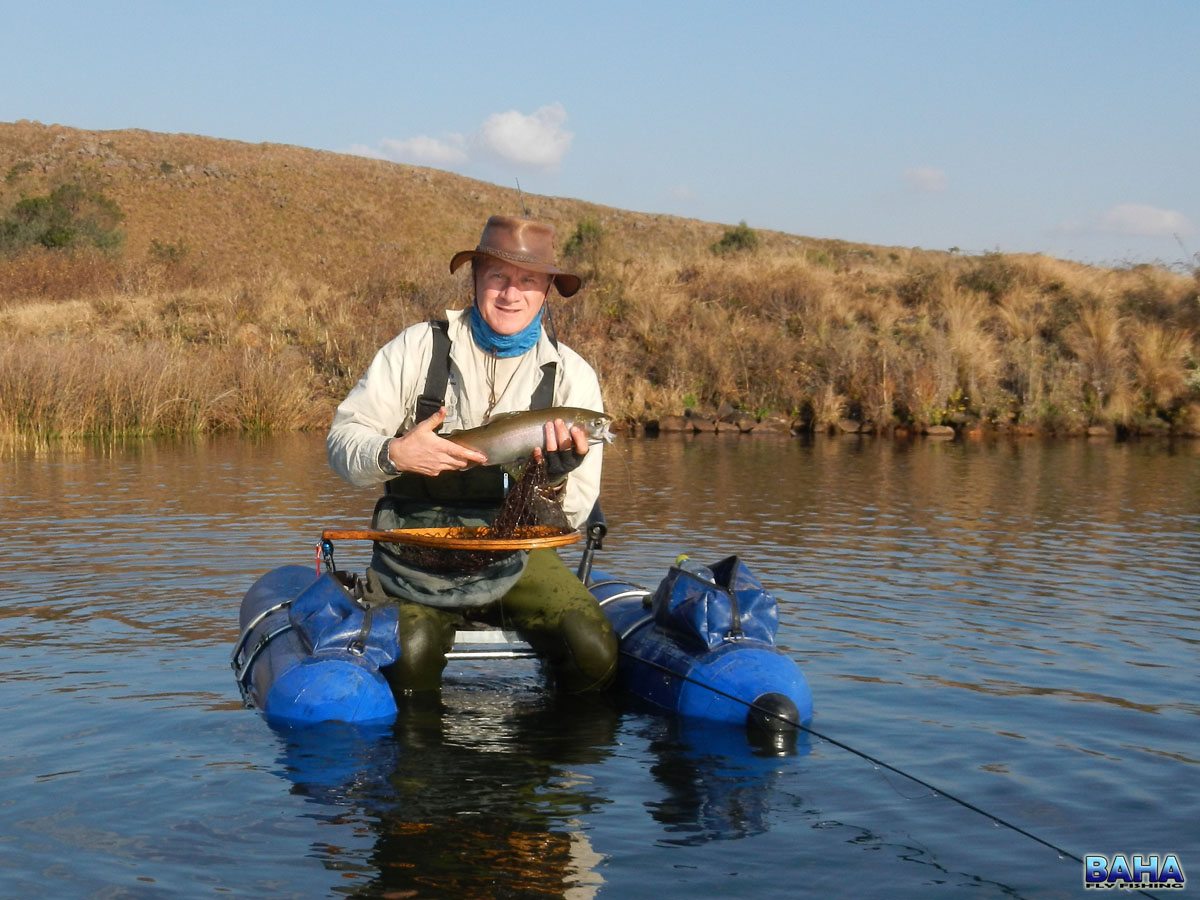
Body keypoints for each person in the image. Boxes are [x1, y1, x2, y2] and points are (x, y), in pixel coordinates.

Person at [326, 215, 618, 694]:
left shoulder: (572, 376)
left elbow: (573, 516)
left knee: (592, 651)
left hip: (518, 553)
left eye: (527, 281)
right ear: (476, 279)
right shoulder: (416, 348)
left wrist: (553, 482)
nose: (511, 293)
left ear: (546, 291)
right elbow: (342, 443)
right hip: (415, 550)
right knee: (410, 660)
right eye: (498, 277)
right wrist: (394, 452)